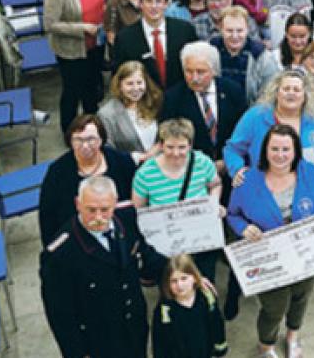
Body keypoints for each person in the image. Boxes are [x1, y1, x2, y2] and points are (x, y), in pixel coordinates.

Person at [226, 124, 314, 358]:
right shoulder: (247, 180)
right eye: (274, 149)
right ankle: (266, 345)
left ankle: (293, 335)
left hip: (306, 252)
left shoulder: (311, 173)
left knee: (301, 297)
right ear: (265, 150)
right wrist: (244, 228)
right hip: (268, 257)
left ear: (295, 151)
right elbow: (233, 214)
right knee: (274, 308)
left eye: (286, 149)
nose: (280, 155)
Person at [40, 175, 167, 358]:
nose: (98, 217)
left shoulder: (127, 218)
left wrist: (186, 273)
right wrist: (78, 354)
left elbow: (145, 253)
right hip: (99, 342)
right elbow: (61, 316)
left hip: (134, 329)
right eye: (91, 210)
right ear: (78, 204)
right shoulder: (60, 254)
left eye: (105, 209)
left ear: (115, 203)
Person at [131, 118, 222, 272]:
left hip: (201, 238)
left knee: (205, 278)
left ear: (190, 145)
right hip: (166, 244)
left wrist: (213, 204)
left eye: (182, 147)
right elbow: (138, 208)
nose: (176, 153)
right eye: (170, 147)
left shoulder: (202, 162)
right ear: (161, 145)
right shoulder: (146, 173)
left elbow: (215, 184)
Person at [38, 114, 137, 245]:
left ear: (101, 140)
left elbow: (134, 204)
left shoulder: (121, 163)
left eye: (91, 139)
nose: (85, 146)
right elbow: (47, 217)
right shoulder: (57, 172)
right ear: (70, 141)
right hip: (76, 241)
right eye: (78, 140)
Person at [225, 69, 314, 182]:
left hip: (309, 185)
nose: (291, 93)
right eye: (286, 89)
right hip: (263, 185)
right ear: (276, 93)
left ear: (305, 96)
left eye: (296, 90)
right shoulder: (255, 116)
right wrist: (238, 170)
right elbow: (232, 149)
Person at [43, 0, 106, 133]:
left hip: (95, 44)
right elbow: (50, 24)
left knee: (92, 89)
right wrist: (82, 28)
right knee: (73, 92)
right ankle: (69, 132)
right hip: (72, 51)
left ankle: (93, 129)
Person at [161, 41, 248, 182]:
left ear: (213, 70)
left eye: (201, 72)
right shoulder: (173, 98)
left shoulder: (233, 91)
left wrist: (227, 161)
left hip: (232, 171)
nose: (194, 78)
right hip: (193, 174)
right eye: (189, 71)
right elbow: (169, 137)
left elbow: (244, 132)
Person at [112, 0, 199, 89]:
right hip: (143, 96)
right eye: (149, 1)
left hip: (181, 94)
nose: (154, 6)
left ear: (166, 4)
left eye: (158, 1)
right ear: (140, 4)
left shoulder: (185, 30)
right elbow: (119, 76)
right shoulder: (125, 38)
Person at [151, 254, 228, 358]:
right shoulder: (164, 310)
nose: (179, 285)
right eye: (174, 281)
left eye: (184, 278)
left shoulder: (206, 298)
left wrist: (220, 346)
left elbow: (216, 323)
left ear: (195, 278)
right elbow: (159, 343)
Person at [98, 61, 163, 164]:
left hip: (160, 164)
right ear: (119, 85)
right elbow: (107, 149)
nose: (135, 88)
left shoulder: (156, 102)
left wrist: (157, 148)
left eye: (139, 83)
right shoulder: (107, 114)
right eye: (129, 84)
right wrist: (138, 158)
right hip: (129, 167)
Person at [211, 6, 281, 102]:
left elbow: (270, 93)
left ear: (247, 29)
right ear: (221, 29)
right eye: (229, 31)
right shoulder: (210, 52)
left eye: (239, 31)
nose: (235, 36)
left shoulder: (262, 57)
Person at [194, 0, 262, 42]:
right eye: (212, 0)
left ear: (230, 0)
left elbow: (256, 48)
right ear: (206, 1)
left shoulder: (246, 21)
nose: (216, 4)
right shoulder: (197, 23)